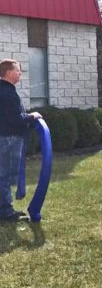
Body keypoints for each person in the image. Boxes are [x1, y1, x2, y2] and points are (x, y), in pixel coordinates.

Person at [0, 59, 42, 221]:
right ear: (9, 73)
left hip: (4, 138)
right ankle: (5, 212)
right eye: (18, 71)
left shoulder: (4, 90)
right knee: (5, 175)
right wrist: (32, 116)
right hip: (8, 139)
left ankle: (4, 209)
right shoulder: (8, 93)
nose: (20, 73)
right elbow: (16, 119)